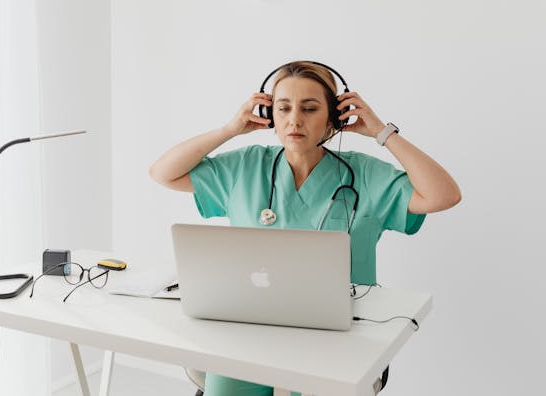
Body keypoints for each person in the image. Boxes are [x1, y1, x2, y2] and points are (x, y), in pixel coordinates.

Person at [148, 61, 461, 396]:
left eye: (309, 108)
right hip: (251, 327)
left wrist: (382, 133)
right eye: (283, 108)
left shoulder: (365, 175)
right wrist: (229, 129)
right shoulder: (246, 166)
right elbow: (163, 173)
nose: (294, 119)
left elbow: (443, 195)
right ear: (269, 116)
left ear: (334, 118)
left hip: (339, 337)